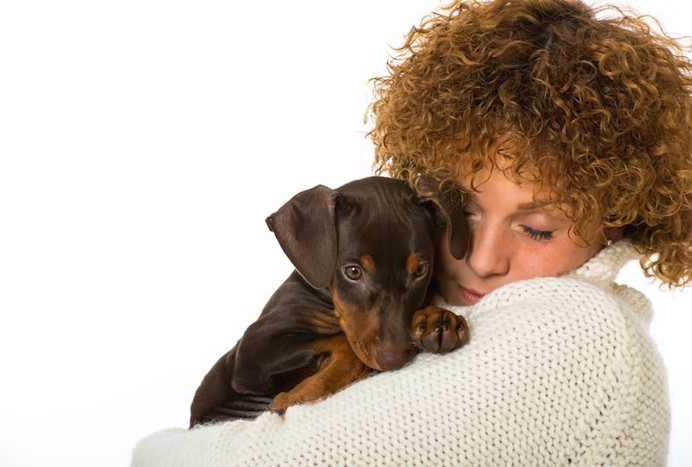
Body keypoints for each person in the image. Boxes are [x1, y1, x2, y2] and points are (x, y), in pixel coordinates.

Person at [132, 0, 691, 465]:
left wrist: (154, 449)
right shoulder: (443, 308)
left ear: (620, 214)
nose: (483, 259)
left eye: (537, 229)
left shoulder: (577, 339)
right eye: (462, 214)